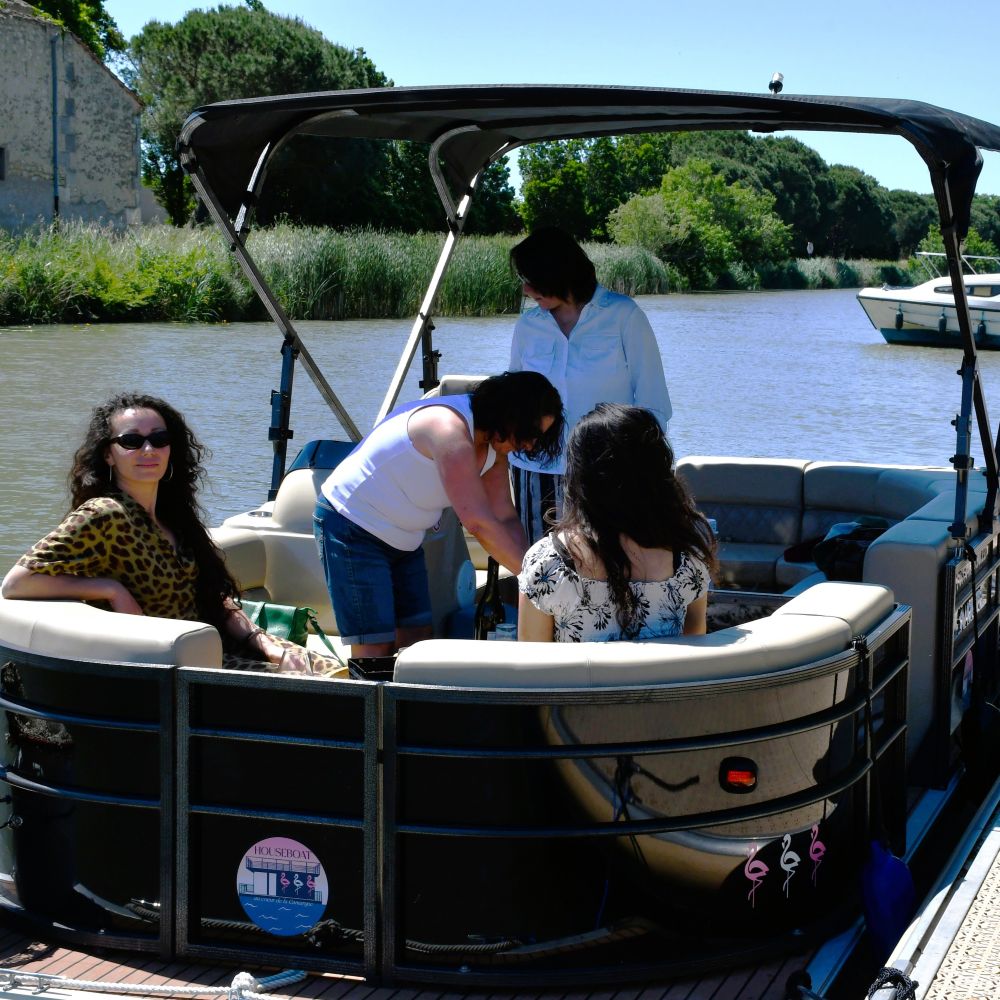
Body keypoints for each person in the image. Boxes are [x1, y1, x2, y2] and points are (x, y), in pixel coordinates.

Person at [1, 392, 337, 675]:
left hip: (216, 643)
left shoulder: (174, 516)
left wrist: (264, 643)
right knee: (319, 689)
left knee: (330, 670)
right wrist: (109, 588)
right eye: (131, 441)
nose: (148, 450)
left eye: (159, 439)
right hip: (176, 668)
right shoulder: (103, 515)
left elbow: (214, 598)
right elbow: (16, 583)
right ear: (108, 454)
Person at [314, 371, 563, 658]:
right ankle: (366, 689)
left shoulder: (495, 449)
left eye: (538, 439)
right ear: (511, 414)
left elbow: (505, 518)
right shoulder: (447, 428)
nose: (530, 445)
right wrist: (538, 582)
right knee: (375, 647)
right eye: (530, 433)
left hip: (405, 538)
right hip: (352, 525)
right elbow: (478, 523)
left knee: (418, 641)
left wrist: (536, 566)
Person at [509, 226, 672, 544]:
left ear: (559, 274)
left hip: (608, 475)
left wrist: (640, 471)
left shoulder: (624, 316)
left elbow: (654, 405)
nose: (526, 289)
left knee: (607, 565)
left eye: (532, 279)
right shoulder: (528, 325)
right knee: (542, 567)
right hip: (536, 472)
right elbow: (515, 398)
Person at [518, 404, 716, 643]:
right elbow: (694, 652)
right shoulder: (689, 562)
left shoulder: (547, 566)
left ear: (582, 478)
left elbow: (533, 661)